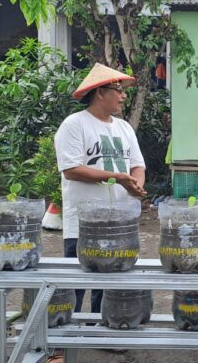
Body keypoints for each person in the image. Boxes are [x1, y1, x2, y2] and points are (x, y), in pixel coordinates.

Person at [54, 63, 146, 313]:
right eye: (118, 89)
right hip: (83, 223)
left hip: (119, 222)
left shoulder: (124, 127)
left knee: (109, 283)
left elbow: (138, 165)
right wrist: (117, 178)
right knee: (75, 284)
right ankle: (62, 343)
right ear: (100, 92)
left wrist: (136, 185)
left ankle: (101, 329)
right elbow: (71, 169)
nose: (123, 95)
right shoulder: (75, 124)